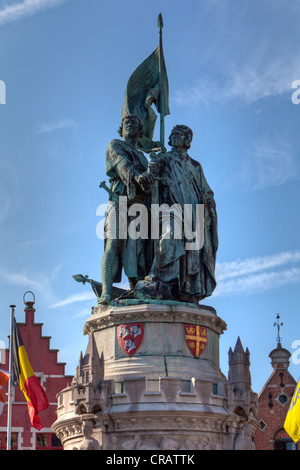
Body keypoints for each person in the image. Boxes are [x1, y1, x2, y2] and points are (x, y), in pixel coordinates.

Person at [147, 125, 218, 303]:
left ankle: (187, 288)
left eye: (179, 135)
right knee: (170, 234)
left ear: (187, 140)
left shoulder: (195, 165)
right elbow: (152, 180)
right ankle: (161, 277)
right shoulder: (164, 159)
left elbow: (206, 190)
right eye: (173, 135)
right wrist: (152, 168)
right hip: (170, 208)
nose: (174, 137)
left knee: (194, 249)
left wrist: (209, 200)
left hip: (193, 211)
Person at [99, 115, 153, 304]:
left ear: (140, 131)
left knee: (136, 253)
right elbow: (122, 164)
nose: (130, 124)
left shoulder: (143, 158)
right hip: (119, 201)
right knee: (113, 243)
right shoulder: (115, 145)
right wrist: (139, 177)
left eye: (135, 123)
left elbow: (151, 185)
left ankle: (135, 289)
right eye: (126, 123)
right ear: (121, 129)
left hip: (139, 207)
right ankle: (106, 292)